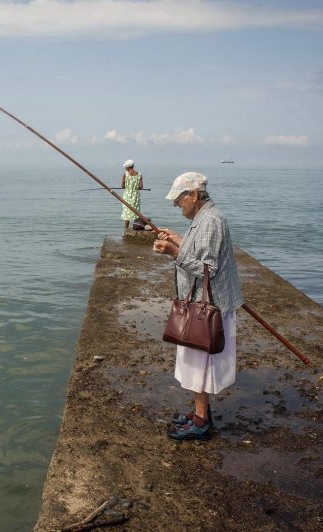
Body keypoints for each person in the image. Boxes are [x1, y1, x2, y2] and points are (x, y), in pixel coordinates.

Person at [151, 172, 243, 441]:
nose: (176, 205)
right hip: (204, 305)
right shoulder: (202, 218)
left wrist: (174, 253)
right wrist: (179, 239)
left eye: (179, 199)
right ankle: (200, 413)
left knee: (200, 364)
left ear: (193, 195)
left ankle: (201, 421)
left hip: (208, 308)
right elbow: (201, 252)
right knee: (197, 362)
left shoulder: (211, 221)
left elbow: (208, 269)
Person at [120, 160, 144, 230]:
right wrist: (136, 187)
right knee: (135, 211)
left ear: (127, 167)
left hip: (127, 196)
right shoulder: (139, 174)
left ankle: (126, 229)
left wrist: (127, 186)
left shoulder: (125, 174)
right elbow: (141, 186)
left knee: (126, 212)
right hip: (135, 196)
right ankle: (135, 227)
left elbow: (122, 186)